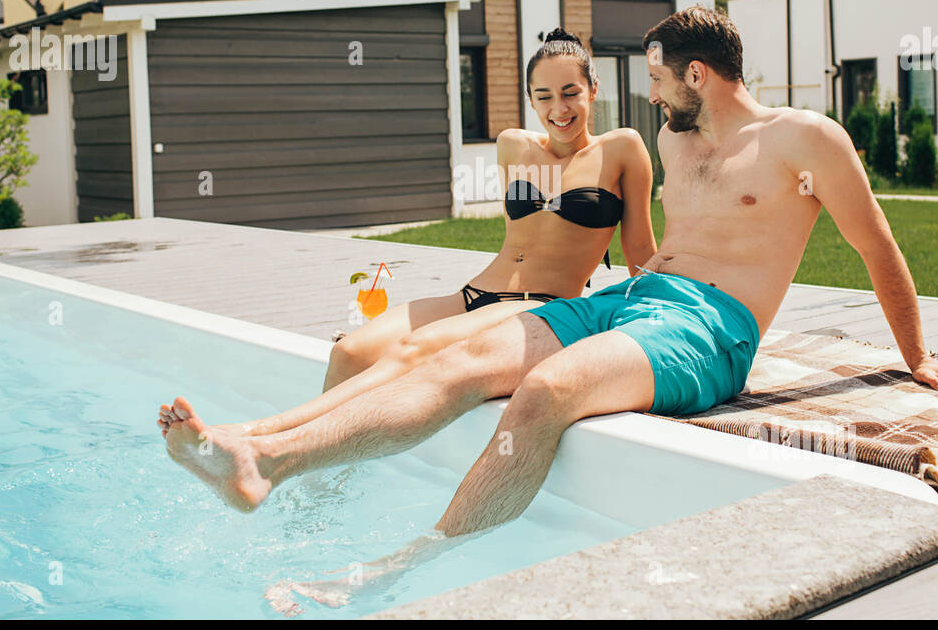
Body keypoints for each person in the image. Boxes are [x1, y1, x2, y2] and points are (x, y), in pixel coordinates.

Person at [159, 5, 938, 608]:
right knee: (457, 360)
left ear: (697, 74)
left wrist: (917, 358)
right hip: (637, 299)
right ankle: (262, 461)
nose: (655, 93)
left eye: (663, 78)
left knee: (547, 392)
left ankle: (394, 576)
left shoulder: (803, 139)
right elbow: (639, 244)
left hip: (710, 327)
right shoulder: (674, 139)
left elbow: (877, 245)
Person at [158, 27, 655, 439]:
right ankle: (321, 483)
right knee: (348, 351)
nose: (559, 109)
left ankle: (256, 437)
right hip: (478, 291)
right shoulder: (513, 146)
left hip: (541, 304)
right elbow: (521, 239)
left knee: (411, 353)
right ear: (529, 99)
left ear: (593, 90)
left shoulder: (621, 150)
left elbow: (640, 259)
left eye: (571, 93)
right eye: (543, 97)